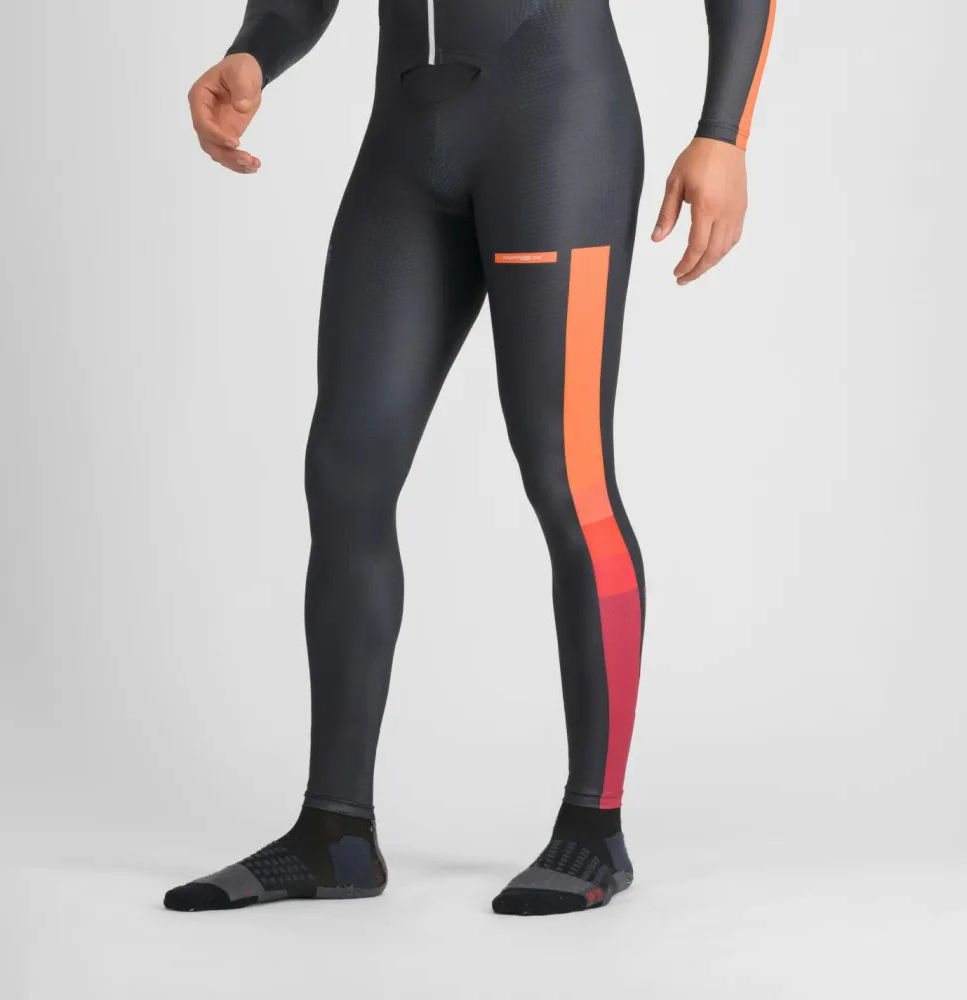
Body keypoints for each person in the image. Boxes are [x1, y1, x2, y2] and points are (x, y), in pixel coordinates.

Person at [165, 0, 775, 917]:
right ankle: (336, 833)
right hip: (406, 150)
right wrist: (255, 52)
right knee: (346, 475)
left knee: (568, 476)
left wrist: (723, 132)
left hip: (557, 134)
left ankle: (594, 828)